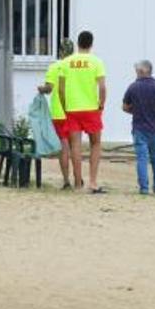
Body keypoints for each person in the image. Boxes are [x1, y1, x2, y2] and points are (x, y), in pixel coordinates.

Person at [57, 31, 107, 194]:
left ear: (78, 44)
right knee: (95, 143)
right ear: (91, 44)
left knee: (75, 145)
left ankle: (77, 182)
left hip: (72, 108)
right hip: (91, 107)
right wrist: (101, 104)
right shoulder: (96, 62)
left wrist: (65, 106)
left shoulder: (66, 62)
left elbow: (61, 89)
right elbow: (102, 86)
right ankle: (92, 181)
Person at [122, 60, 155, 195]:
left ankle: (144, 188)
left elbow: (125, 107)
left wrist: (136, 111)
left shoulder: (133, 87)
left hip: (139, 128)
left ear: (141, 71)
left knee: (142, 159)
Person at [37, 39, 76, 189]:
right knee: (75, 146)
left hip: (59, 113)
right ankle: (78, 178)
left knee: (64, 147)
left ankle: (66, 181)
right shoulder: (75, 66)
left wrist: (41, 89)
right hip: (75, 110)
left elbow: (49, 89)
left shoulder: (55, 67)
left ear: (60, 51)